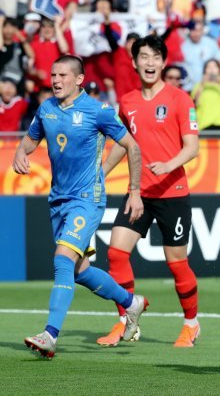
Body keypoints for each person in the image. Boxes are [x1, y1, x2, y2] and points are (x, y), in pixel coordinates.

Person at [12, 55, 147, 359]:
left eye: (62, 75)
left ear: (78, 79)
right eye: (53, 74)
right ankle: (130, 302)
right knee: (79, 270)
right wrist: (20, 153)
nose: (56, 80)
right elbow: (30, 141)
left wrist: (134, 190)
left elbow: (131, 145)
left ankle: (50, 335)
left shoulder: (97, 111)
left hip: (88, 198)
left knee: (62, 260)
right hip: (58, 199)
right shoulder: (46, 108)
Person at [98, 35, 201, 348]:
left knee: (177, 263)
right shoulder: (127, 102)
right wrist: (100, 174)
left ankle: (191, 325)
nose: (150, 63)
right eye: (144, 57)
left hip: (173, 191)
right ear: (134, 62)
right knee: (116, 252)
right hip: (138, 193)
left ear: (164, 62)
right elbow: (123, 144)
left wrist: (169, 165)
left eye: (155, 57)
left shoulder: (181, 99)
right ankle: (125, 321)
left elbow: (192, 147)